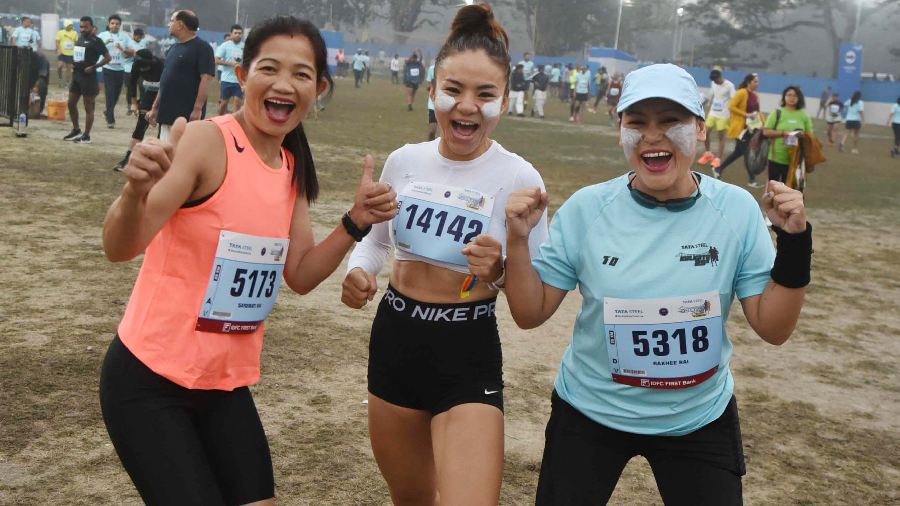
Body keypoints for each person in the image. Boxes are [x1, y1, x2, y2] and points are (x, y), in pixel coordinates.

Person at [99, 16, 397, 504]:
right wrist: (134, 192)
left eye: (301, 74)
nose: (284, 84)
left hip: (222, 386)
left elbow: (299, 275)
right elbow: (119, 247)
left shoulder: (291, 165)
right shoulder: (205, 141)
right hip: (148, 383)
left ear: (319, 88)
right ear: (242, 75)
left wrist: (355, 221)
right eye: (270, 68)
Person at [504, 63, 811, 506]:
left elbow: (774, 328)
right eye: (638, 122)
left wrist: (796, 244)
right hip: (591, 411)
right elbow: (529, 314)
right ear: (620, 131)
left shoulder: (736, 210)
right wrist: (517, 240)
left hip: (697, 418)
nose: (653, 135)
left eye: (671, 121)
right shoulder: (588, 208)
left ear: (700, 129)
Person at [342, 4, 549, 504]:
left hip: (467, 350)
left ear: (504, 100)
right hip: (396, 341)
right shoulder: (404, 161)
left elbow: (530, 301)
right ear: (432, 91)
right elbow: (376, 242)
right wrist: (358, 271)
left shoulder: (522, 179)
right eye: (453, 90)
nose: (467, 106)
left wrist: (500, 269)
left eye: (485, 95)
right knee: (411, 499)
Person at [146, 10, 215, 141]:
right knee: (166, 154)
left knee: (182, 155)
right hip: (167, 113)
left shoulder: (203, 48)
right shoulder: (173, 49)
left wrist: (197, 109)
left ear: (180, 24)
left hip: (186, 115)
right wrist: (155, 108)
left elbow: (206, 80)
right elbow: (165, 81)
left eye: (172, 20)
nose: (168, 24)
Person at [113, 49, 164, 172]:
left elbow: (166, 86)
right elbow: (132, 83)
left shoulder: (162, 65)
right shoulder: (136, 64)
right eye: (140, 67)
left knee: (162, 129)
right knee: (140, 126)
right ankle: (129, 159)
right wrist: (134, 103)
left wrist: (155, 109)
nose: (142, 69)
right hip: (147, 94)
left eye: (144, 67)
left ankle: (158, 161)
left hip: (163, 96)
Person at [64, 16, 111, 145]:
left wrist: (94, 67)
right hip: (77, 76)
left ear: (92, 27)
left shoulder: (97, 41)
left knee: (88, 107)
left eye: (85, 27)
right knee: (71, 103)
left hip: (88, 77)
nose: (83, 29)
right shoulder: (80, 38)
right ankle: (76, 130)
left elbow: (108, 58)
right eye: (81, 26)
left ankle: (86, 135)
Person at [714, 73, 763, 187]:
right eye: (755, 81)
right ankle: (752, 180)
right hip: (741, 129)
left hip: (751, 129)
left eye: (757, 81)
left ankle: (718, 169)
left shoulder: (755, 95)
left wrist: (762, 124)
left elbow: (757, 112)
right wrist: (746, 114)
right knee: (747, 153)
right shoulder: (741, 93)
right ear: (749, 82)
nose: (757, 83)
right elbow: (731, 106)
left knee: (738, 152)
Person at [762, 85, 814, 184]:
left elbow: (810, 136)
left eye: (795, 95)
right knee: (773, 188)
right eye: (789, 95)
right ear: (784, 97)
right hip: (775, 157)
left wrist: (802, 135)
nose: (791, 98)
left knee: (790, 190)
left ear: (799, 98)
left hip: (795, 160)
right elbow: (766, 131)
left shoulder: (804, 115)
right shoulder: (777, 113)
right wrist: (783, 133)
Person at [97, 14, 136, 129]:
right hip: (108, 68)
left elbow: (132, 51)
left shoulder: (125, 36)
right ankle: (110, 119)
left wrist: (122, 48)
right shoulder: (102, 35)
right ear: (108, 24)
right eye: (112, 23)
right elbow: (94, 49)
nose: (115, 25)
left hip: (120, 69)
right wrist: (104, 44)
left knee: (117, 95)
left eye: (117, 24)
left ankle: (107, 111)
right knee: (109, 94)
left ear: (120, 25)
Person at [697, 69, 735, 169]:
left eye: (716, 79)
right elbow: (711, 96)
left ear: (720, 76)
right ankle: (708, 153)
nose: (715, 82)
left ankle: (718, 158)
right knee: (705, 132)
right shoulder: (713, 83)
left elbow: (733, 100)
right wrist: (706, 106)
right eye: (713, 80)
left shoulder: (729, 85)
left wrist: (731, 115)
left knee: (721, 137)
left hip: (723, 115)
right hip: (713, 113)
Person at [215, 24, 245, 116]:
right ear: (231, 34)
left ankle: (234, 125)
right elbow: (216, 60)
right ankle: (218, 119)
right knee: (224, 104)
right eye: (235, 33)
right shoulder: (225, 45)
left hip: (239, 80)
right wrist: (230, 63)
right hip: (226, 80)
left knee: (237, 104)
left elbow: (249, 61)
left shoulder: (244, 46)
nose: (237, 35)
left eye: (239, 33)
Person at [123, 28, 150, 116]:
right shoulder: (129, 43)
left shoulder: (144, 43)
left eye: (141, 37)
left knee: (142, 87)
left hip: (141, 70)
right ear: (134, 35)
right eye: (138, 37)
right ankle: (129, 106)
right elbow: (124, 55)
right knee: (130, 89)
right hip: (129, 69)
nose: (139, 38)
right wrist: (132, 54)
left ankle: (141, 106)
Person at [55, 21, 78, 87]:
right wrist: (58, 49)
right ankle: (60, 79)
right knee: (59, 66)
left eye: (71, 25)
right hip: (62, 52)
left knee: (69, 68)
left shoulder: (74, 33)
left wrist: (75, 50)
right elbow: (57, 42)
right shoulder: (60, 32)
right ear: (65, 26)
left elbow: (76, 42)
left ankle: (67, 83)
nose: (70, 26)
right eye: (69, 25)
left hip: (71, 53)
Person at [425, 60, 438, 140]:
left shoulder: (449, 70)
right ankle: (430, 147)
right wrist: (431, 87)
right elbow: (428, 85)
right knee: (432, 131)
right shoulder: (431, 69)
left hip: (446, 105)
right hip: (432, 105)